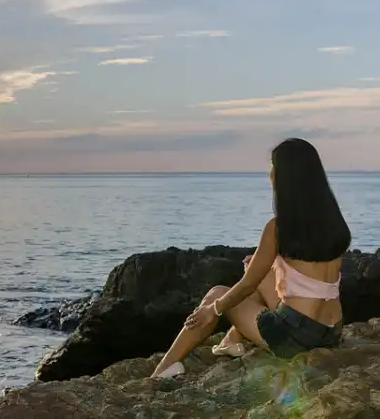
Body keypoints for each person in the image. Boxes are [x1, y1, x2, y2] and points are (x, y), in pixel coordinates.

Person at [150, 137, 349, 378]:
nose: (270, 172)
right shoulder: (334, 222)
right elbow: (307, 275)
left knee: (218, 293)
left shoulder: (278, 227)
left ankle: (164, 369)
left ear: (283, 176)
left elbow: (247, 286)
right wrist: (262, 265)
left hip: (296, 338)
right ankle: (231, 339)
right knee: (256, 270)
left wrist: (212, 309)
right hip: (331, 331)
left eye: (273, 166)